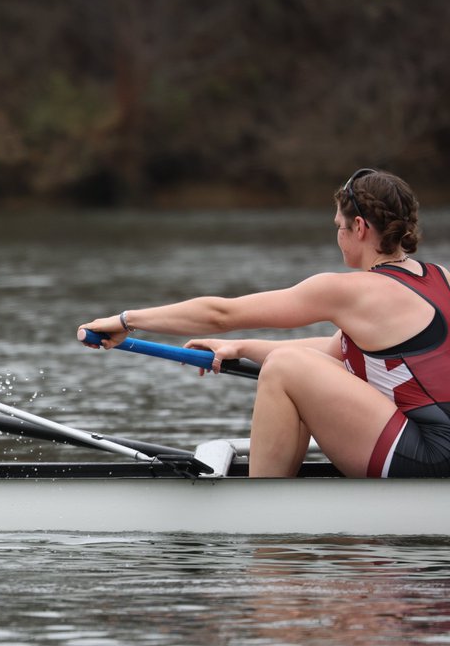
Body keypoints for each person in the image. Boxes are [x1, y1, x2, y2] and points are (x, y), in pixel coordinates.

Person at [78, 168, 449, 478]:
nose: (337, 235)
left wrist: (127, 320)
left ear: (360, 227)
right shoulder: (441, 278)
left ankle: (260, 511)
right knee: (294, 363)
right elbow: (333, 351)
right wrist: (239, 348)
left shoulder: (351, 291)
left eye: (339, 226)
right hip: (434, 446)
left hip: (431, 456)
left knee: (285, 367)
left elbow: (221, 314)